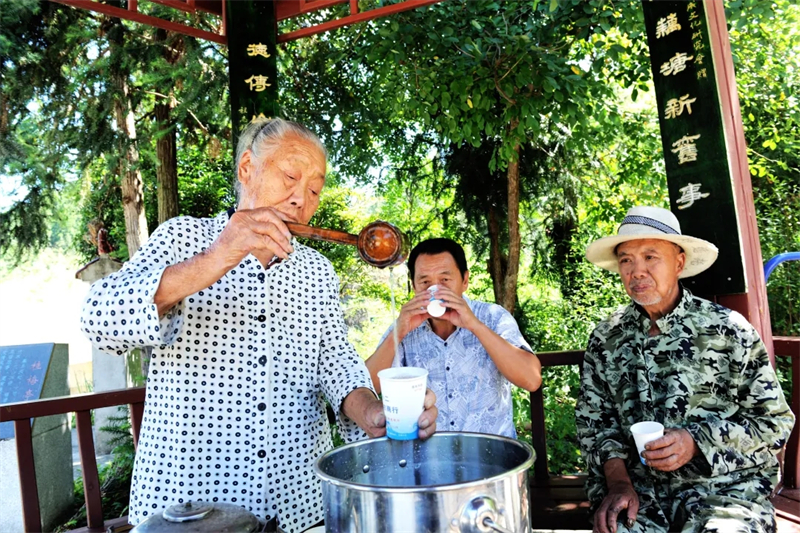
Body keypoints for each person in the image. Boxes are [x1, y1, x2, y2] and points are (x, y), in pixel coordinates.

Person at [80, 118, 438, 533]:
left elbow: (336, 363)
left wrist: (373, 412)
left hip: (299, 503)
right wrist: (218, 257)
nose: (301, 199)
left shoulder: (316, 270)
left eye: (315, 190)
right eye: (290, 176)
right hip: (189, 509)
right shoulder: (182, 239)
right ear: (247, 168)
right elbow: (98, 319)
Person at [575, 206, 795, 533]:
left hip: (724, 490)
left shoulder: (729, 330)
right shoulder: (606, 338)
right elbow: (595, 425)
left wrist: (696, 442)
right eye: (626, 260)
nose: (636, 271)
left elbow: (774, 424)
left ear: (679, 263)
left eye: (650, 257)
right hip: (637, 491)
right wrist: (619, 483)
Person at [365, 238, 541, 437]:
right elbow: (365, 386)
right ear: (413, 285)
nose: (435, 290)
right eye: (425, 282)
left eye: (445, 280)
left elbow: (531, 379)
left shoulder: (493, 317)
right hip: (429, 452)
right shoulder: (405, 325)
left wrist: (474, 325)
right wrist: (398, 332)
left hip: (491, 451)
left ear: (465, 280)